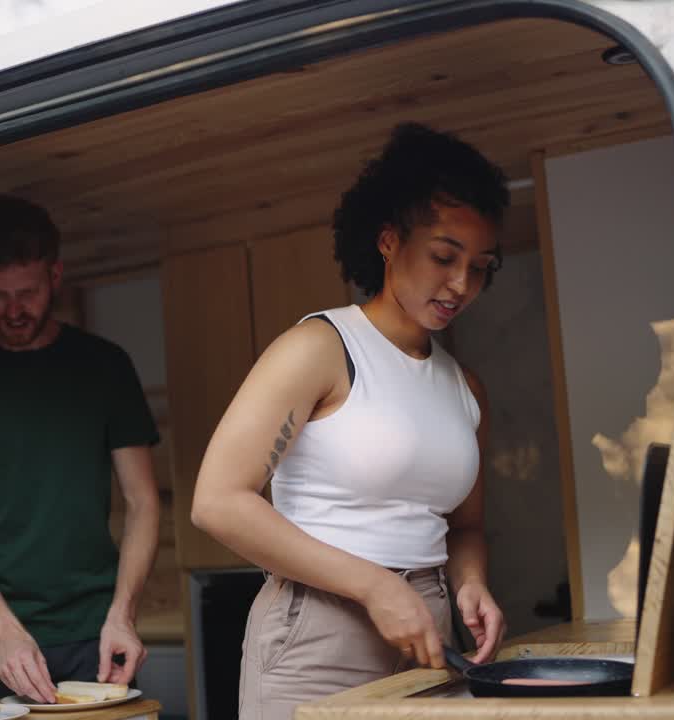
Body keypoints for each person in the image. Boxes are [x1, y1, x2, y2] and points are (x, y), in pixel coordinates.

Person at [191, 123, 509, 719]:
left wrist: (470, 584)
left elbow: (465, 526)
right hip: (318, 630)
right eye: (443, 256)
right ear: (388, 240)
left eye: (481, 266)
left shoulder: (467, 390)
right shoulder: (320, 347)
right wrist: (374, 585)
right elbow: (217, 502)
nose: (461, 284)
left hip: (427, 629)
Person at [0, 195, 161, 702]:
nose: (12, 311)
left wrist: (123, 615)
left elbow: (143, 502)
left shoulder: (105, 366)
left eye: (26, 293)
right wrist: (6, 633)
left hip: (93, 636)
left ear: (55, 277)